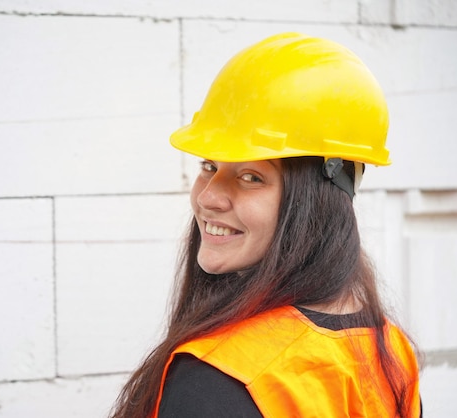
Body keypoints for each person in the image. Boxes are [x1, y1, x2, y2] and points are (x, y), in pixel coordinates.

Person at [111, 32, 421, 417]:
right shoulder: (389, 351)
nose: (208, 197)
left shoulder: (217, 376)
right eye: (209, 166)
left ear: (316, 202)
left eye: (251, 177)